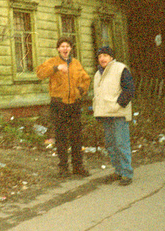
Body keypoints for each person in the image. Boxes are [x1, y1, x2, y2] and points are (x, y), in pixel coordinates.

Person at [36, 37, 91, 177]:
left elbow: (86, 79)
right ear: (58, 49)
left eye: (67, 46)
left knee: (76, 136)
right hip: (58, 103)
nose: (65, 49)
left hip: (74, 104)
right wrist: (56, 68)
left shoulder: (76, 64)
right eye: (62, 46)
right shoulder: (53, 61)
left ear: (71, 48)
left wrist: (80, 91)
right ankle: (63, 168)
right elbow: (40, 73)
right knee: (61, 137)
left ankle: (78, 167)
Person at [93, 45, 135, 186]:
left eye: (105, 55)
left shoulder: (120, 69)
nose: (102, 59)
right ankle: (118, 171)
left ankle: (126, 173)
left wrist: (118, 106)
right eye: (100, 56)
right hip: (106, 115)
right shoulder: (98, 74)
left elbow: (129, 90)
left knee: (121, 144)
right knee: (111, 145)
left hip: (118, 115)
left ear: (111, 57)